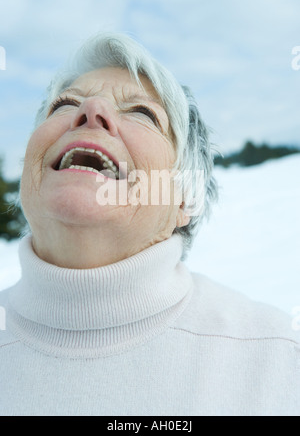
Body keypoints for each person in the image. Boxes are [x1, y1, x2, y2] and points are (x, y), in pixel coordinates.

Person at [0, 33, 299, 416]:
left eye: (142, 113)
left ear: (184, 198)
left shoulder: (279, 363)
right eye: (65, 103)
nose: (90, 109)